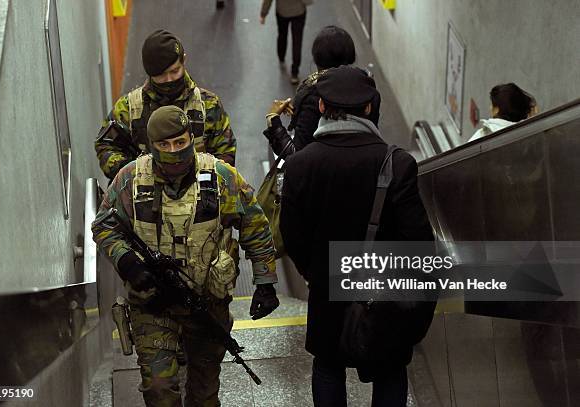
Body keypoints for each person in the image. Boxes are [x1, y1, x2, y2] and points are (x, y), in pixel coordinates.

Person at [92, 105, 279, 406]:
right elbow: (104, 225)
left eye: (180, 142)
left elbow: (254, 224)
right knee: (159, 390)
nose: (173, 151)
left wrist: (265, 282)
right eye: (164, 145)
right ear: (151, 146)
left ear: (191, 137)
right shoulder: (131, 179)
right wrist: (128, 264)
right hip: (153, 307)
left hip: (207, 303)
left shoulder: (220, 177)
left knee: (204, 395)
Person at [279, 66, 435, 407]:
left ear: (321, 107)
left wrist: (318, 273)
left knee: (328, 367)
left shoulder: (300, 165)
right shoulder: (397, 163)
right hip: (385, 291)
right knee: (390, 369)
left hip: (327, 287)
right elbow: (419, 242)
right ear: (368, 109)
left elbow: (291, 235)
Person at [95, 29, 236, 181]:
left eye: (175, 71)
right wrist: (134, 174)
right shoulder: (129, 108)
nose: (169, 79)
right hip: (144, 196)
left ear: (184, 60)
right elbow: (106, 147)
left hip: (199, 193)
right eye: (161, 75)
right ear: (149, 73)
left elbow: (226, 151)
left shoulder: (208, 105)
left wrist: (207, 180)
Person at [263, 25, 381, 158]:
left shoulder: (314, 96)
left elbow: (295, 155)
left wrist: (273, 120)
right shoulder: (367, 89)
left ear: (316, 58)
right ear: (351, 56)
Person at [260, 0, 308, 85]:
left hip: (282, 11)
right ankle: (294, 73)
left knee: (282, 35)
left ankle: (281, 56)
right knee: (297, 41)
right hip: (299, 10)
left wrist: (263, 13)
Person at [469, 83, 536, 142]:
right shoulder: (532, 133)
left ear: (496, 110)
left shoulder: (483, 135)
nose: (490, 108)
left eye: (492, 105)